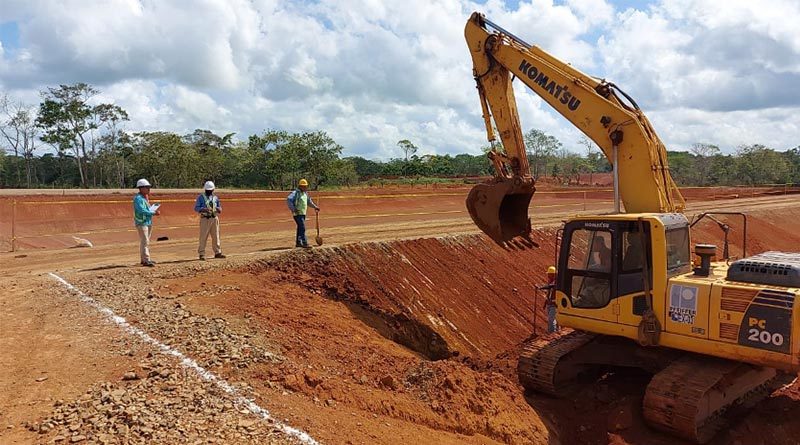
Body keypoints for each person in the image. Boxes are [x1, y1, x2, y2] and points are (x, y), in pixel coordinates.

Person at [195, 181, 226, 261]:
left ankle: (217, 252)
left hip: (214, 218)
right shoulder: (200, 197)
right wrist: (203, 209)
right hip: (205, 218)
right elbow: (196, 208)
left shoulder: (215, 198)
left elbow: (220, 208)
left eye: (210, 190)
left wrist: (219, 209)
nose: (208, 191)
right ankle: (201, 253)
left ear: (213, 190)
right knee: (203, 237)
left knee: (216, 236)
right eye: (207, 190)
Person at [133, 178, 160, 267]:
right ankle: (146, 260)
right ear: (141, 188)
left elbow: (146, 209)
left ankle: (144, 259)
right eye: (147, 187)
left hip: (147, 222)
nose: (149, 189)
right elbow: (141, 210)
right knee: (145, 241)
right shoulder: (138, 199)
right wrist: (153, 212)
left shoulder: (145, 198)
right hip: (142, 222)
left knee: (145, 241)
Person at [286, 178, 320, 248]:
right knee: (302, 227)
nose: (305, 187)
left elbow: (309, 202)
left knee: (300, 228)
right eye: (304, 186)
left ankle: (298, 243)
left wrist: (315, 207)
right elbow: (289, 199)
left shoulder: (305, 194)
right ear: (300, 186)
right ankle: (304, 243)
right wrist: (293, 209)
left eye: (306, 186)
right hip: (297, 214)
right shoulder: (296, 193)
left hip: (303, 213)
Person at [537, 266, 559, 333]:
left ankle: (552, 333)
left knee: (551, 320)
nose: (548, 276)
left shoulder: (556, 282)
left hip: (554, 304)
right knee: (552, 319)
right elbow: (549, 292)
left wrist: (541, 287)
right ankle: (556, 331)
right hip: (549, 304)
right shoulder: (550, 281)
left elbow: (550, 287)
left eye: (549, 274)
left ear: (553, 274)